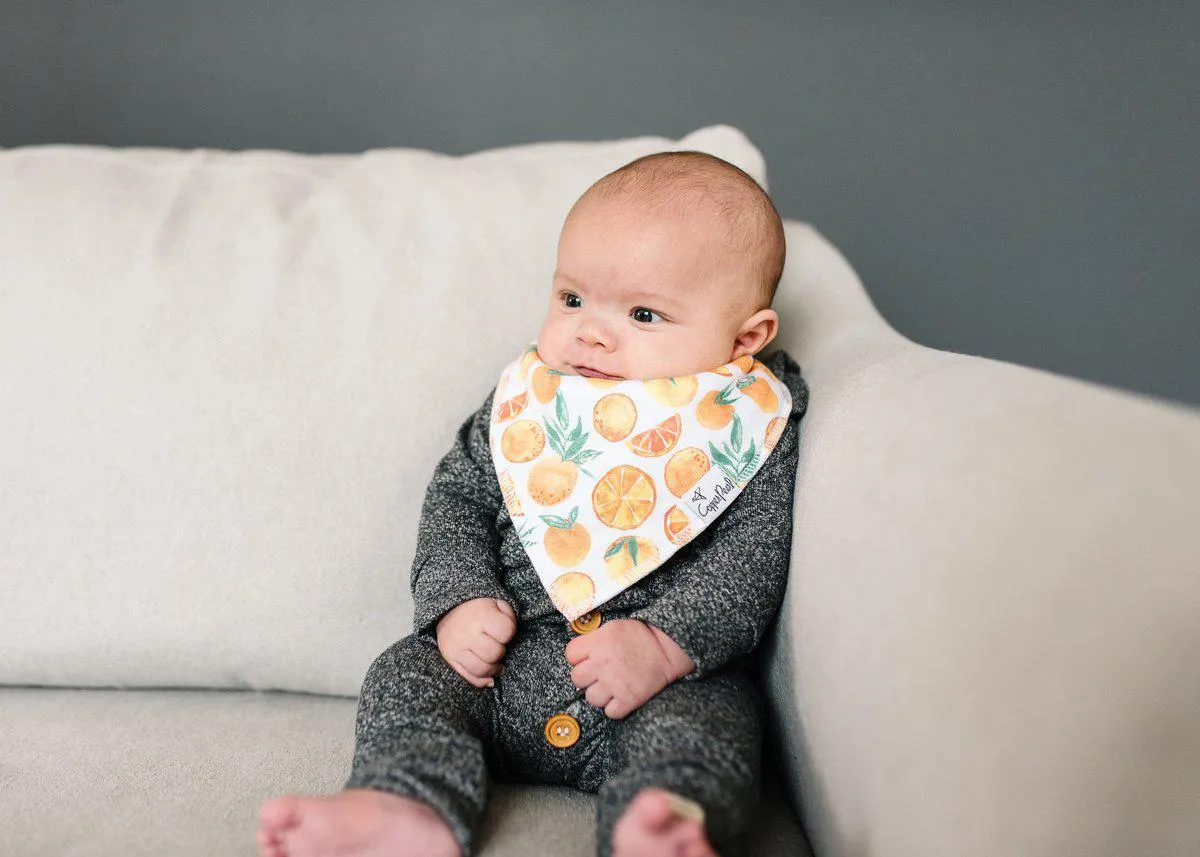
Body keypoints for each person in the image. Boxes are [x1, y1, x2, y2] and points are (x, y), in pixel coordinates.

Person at [256, 150, 809, 857]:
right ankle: (406, 807)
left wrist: (667, 644)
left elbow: (753, 554)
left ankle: (664, 823)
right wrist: (459, 599)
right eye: (572, 298)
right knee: (405, 674)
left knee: (714, 724)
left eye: (643, 313)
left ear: (745, 338)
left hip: (650, 687)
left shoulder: (748, 425)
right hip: (499, 669)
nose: (590, 330)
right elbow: (457, 495)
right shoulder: (528, 402)